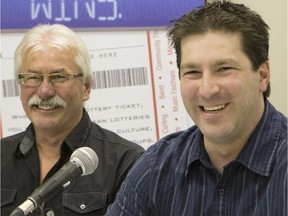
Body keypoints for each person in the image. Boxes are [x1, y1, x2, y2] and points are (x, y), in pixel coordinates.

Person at [105, 1, 287, 215]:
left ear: (263, 75)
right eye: (193, 72)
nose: (207, 89)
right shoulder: (156, 167)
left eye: (224, 69)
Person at [1, 24, 145, 216]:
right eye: (33, 77)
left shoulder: (127, 162)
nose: (44, 91)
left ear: (86, 87)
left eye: (59, 77)